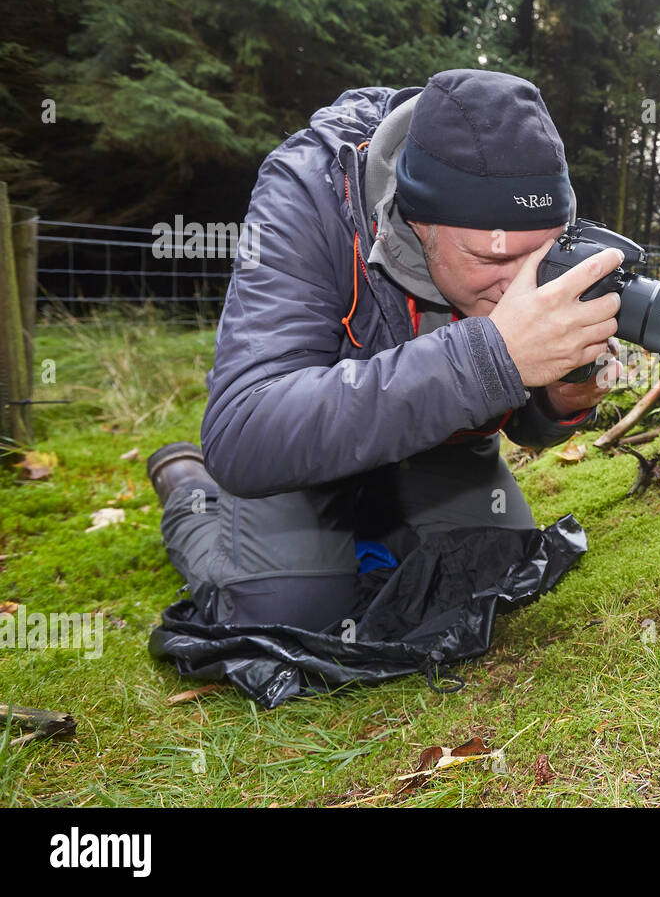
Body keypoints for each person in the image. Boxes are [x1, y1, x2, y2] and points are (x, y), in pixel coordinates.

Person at [147, 69, 623, 631]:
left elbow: (525, 425)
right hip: (297, 453)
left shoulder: (528, 200)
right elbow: (245, 429)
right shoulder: (305, 195)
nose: (519, 286)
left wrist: (558, 400)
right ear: (416, 220)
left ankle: (372, 520)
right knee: (286, 614)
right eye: (493, 261)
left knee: (492, 574)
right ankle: (187, 490)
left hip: (434, 443)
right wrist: (493, 356)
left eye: (538, 257)